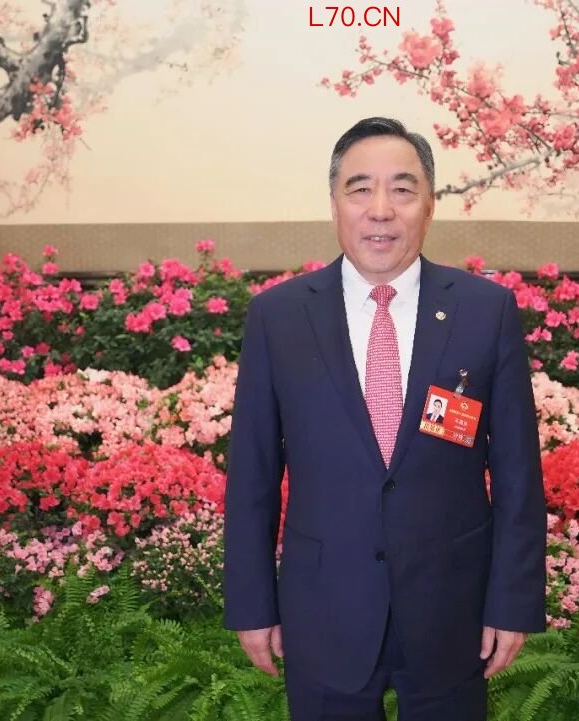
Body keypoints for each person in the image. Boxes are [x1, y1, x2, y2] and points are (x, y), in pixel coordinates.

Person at [223, 116, 546, 721]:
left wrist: (513, 602)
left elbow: (517, 475)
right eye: (360, 189)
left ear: (429, 205)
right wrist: (251, 604)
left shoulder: (485, 311)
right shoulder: (279, 317)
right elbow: (252, 477)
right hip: (323, 608)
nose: (380, 210)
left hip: (452, 610)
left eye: (402, 189)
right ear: (334, 204)